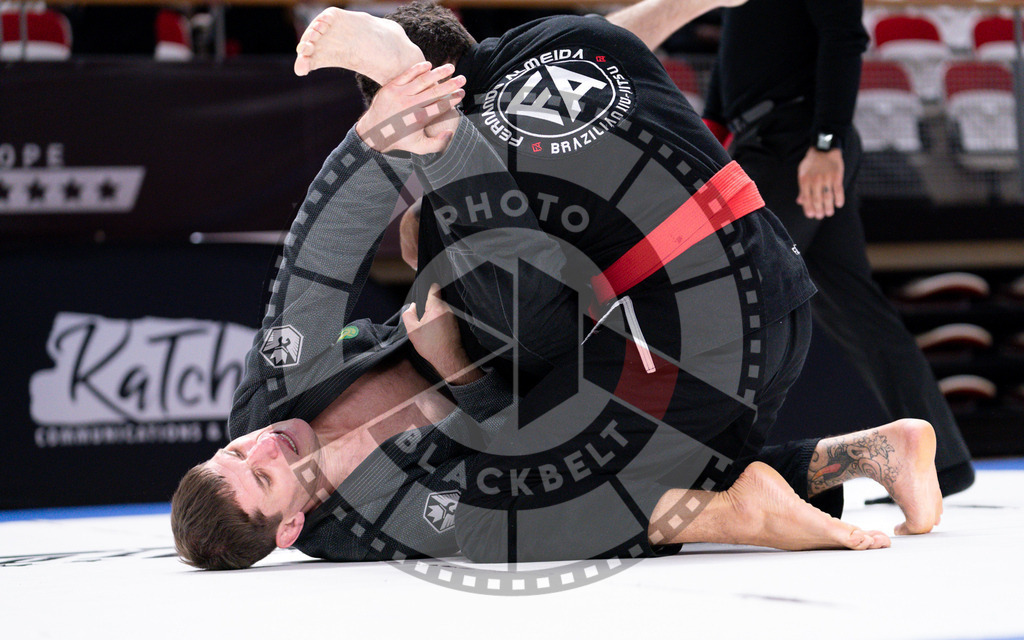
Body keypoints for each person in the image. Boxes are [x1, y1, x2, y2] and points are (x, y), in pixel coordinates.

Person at [171, 2, 941, 569]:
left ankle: (743, 508)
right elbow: (518, 453)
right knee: (556, 480)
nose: (265, 440)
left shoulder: (274, 392)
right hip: (762, 290)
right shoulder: (354, 525)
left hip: (677, 325)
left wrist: (380, 147)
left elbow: (319, 257)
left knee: (529, 494)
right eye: (265, 471)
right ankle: (863, 454)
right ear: (289, 529)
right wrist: (445, 364)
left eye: (240, 446)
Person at [690, 0, 974, 497]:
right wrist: (712, 140)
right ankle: (942, 462)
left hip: (797, 143)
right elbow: (734, 60)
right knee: (856, 310)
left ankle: (702, 468)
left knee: (733, 295)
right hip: (770, 138)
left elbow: (845, 38)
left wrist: (827, 142)